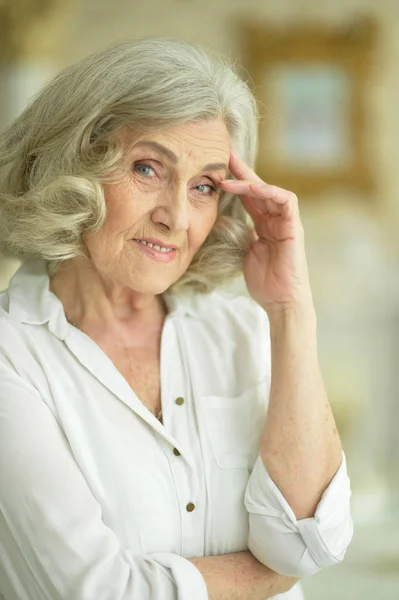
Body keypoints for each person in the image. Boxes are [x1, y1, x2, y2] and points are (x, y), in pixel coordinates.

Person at [0, 38, 353, 600]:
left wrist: (291, 309)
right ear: (68, 164)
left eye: (205, 186)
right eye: (146, 168)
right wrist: (269, 576)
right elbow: (99, 591)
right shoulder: (11, 355)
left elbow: (313, 540)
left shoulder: (242, 330)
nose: (177, 217)